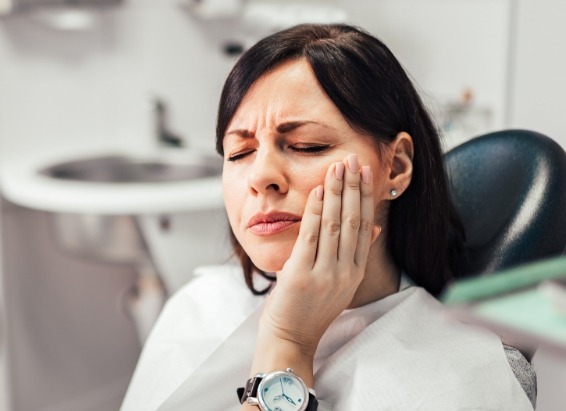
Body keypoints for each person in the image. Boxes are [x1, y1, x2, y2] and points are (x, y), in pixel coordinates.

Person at [121, 24, 535, 410]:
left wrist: (288, 344)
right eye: (239, 153)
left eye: (306, 145)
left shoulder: (462, 383)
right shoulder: (197, 307)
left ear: (395, 167)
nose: (261, 176)